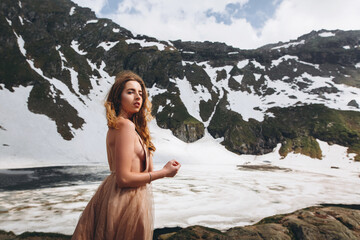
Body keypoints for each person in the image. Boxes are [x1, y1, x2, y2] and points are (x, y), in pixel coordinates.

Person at [71, 70, 181, 240]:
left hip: (130, 200)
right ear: (118, 98)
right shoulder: (124, 126)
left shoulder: (128, 127)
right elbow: (123, 179)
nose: (138, 97)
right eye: (130, 92)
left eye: (140, 93)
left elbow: (143, 172)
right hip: (123, 202)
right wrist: (164, 173)